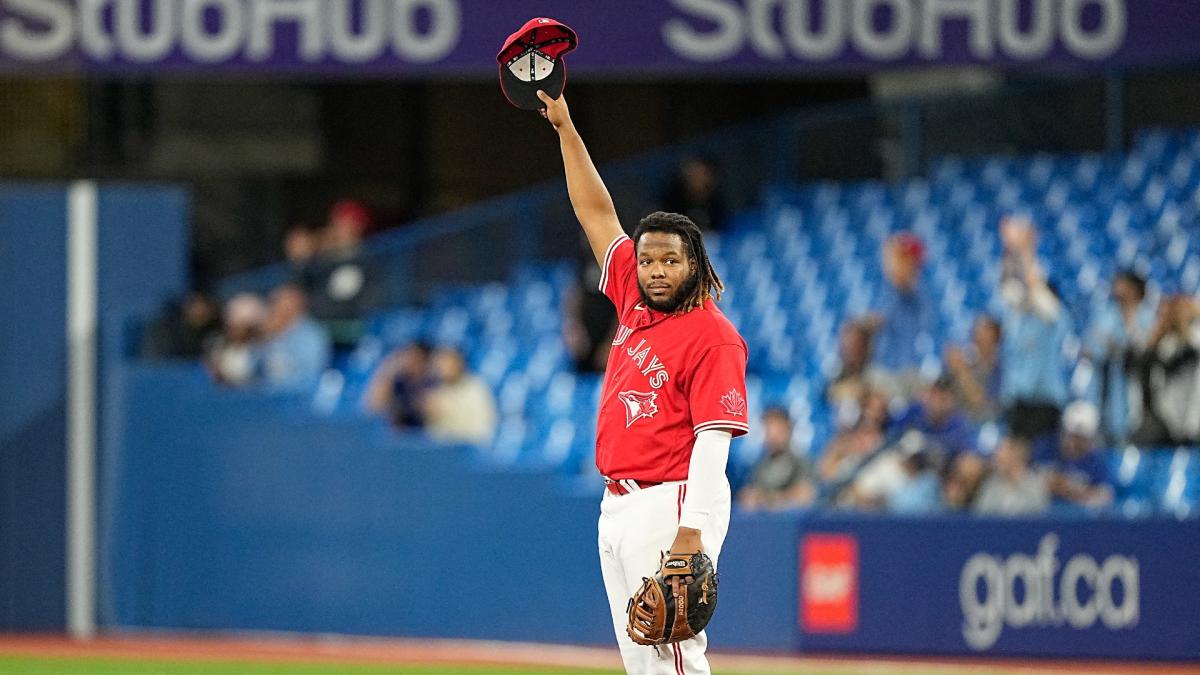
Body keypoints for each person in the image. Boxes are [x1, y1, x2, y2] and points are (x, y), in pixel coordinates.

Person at [540, 89, 749, 674]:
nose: (655, 270)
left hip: (671, 499)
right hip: (619, 501)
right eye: (649, 260)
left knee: (675, 655)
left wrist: (692, 534)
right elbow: (595, 212)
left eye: (670, 261)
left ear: (696, 265)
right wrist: (565, 128)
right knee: (643, 659)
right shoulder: (633, 300)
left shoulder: (714, 336)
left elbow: (713, 447)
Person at [997, 216, 1071, 441]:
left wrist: (1028, 251)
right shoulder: (1018, 319)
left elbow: (1035, 289)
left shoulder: (1054, 318)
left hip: (1044, 403)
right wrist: (1010, 252)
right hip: (1018, 401)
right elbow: (1008, 287)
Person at [1086, 270, 1155, 444]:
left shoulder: (1149, 316)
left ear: (1134, 289)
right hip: (1107, 386)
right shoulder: (1107, 316)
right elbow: (1092, 347)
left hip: (1139, 387)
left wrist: (1120, 347)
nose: (1116, 289)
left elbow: (1145, 349)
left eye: (1121, 284)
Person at [862, 232, 932, 399]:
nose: (892, 263)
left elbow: (903, 279)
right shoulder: (887, 290)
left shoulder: (913, 288)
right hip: (886, 367)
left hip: (904, 371)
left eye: (900, 258)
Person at [306, 200, 384, 350]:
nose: (337, 228)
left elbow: (370, 299)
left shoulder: (369, 260)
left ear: (358, 226)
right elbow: (303, 288)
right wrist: (305, 260)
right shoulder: (320, 261)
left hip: (350, 325)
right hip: (319, 327)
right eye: (336, 222)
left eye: (343, 223)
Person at [1129, 295, 1200, 446]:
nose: (1160, 320)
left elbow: (1172, 364)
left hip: (1179, 415)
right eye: (1159, 315)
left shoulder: (1187, 345)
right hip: (1156, 414)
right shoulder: (1156, 344)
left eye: (1166, 315)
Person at [1034, 400, 1114, 511]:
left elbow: (1104, 497)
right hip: (1044, 517)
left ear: (1091, 439)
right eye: (1069, 435)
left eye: (1079, 438)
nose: (1072, 443)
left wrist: (1067, 488)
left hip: (1081, 521)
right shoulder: (1045, 447)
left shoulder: (1097, 459)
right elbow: (1031, 484)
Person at [736, 408, 816, 511]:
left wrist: (770, 500)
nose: (772, 434)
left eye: (777, 428)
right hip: (764, 523)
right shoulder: (761, 464)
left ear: (788, 429)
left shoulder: (800, 461)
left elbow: (805, 495)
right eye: (768, 428)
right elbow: (749, 496)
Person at [259, 284, 331, 394]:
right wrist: (267, 337)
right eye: (275, 302)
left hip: (297, 398)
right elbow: (254, 367)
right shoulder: (271, 330)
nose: (277, 307)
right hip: (266, 395)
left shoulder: (311, 335)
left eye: (284, 302)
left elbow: (310, 375)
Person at [423, 346, 497, 445]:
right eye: (439, 363)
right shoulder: (436, 391)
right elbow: (432, 433)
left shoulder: (476, 388)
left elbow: (483, 429)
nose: (442, 367)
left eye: (447, 363)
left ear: (458, 363)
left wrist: (446, 411)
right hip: (441, 450)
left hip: (469, 449)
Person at [944, 315, 1003, 424]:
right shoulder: (969, 360)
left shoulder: (999, 368)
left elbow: (983, 405)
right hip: (955, 420)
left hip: (982, 423)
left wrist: (961, 371)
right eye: (977, 327)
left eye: (984, 329)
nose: (977, 331)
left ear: (995, 335)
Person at [973, 435, 1050, 516]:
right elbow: (980, 517)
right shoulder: (991, 484)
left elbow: (1040, 519)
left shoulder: (1035, 485)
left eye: (1001, 451)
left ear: (1015, 455)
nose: (996, 456)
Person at [363, 342, 434, 429]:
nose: (409, 361)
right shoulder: (399, 381)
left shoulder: (431, 382)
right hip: (396, 435)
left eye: (415, 357)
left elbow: (428, 411)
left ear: (424, 360)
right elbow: (373, 407)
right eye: (408, 356)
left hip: (422, 435)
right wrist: (387, 370)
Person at [206, 293, 266, 387]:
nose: (236, 329)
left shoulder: (265, 349)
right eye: (233, 324)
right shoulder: (215, 344)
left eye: (242, 325)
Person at [141, 291, 221, 360]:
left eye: (205, 310)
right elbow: (156, 362)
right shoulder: (165, 331)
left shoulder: (214, 332)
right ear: (187, 308)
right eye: (196, 308)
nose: (200, 313)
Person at [660, 156, 726, 232]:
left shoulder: (715, 201)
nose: (698, 178)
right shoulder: (672, 202)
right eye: (693, 174)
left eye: (702, 174)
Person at [825, 319, 881, 410]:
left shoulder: (878, 376)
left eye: (855, 345)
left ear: (865, 347)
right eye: (845, 346)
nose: (848, 351)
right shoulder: (834, 378)